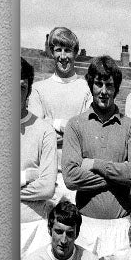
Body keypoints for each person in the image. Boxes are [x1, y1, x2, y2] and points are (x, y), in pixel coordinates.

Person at [61, 56, 131, 260]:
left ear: (116, 89)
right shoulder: (76, 125)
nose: (104, 91)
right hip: (85, 226)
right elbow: (71, 178)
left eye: (109, 85)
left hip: (120, 227)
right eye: (99, 84)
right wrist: (118, 175)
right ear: (91, 85)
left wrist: (94, 164)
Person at [28, 26, 92, 205]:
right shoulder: (39, 90)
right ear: (51, 52)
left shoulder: (87, 90)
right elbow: (37, 135)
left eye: (68, 50)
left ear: (76, 53)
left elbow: (87, 137)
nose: (63, 56)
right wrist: (70, 129)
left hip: (77, 176)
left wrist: (50, 124)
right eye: (58, 50)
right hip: (46, 175)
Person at [18, 57, 57, 257]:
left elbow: (48, 187)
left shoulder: (45, 132)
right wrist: (25, 178)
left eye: (22, 87)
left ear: (29, 91)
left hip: (35, 227)